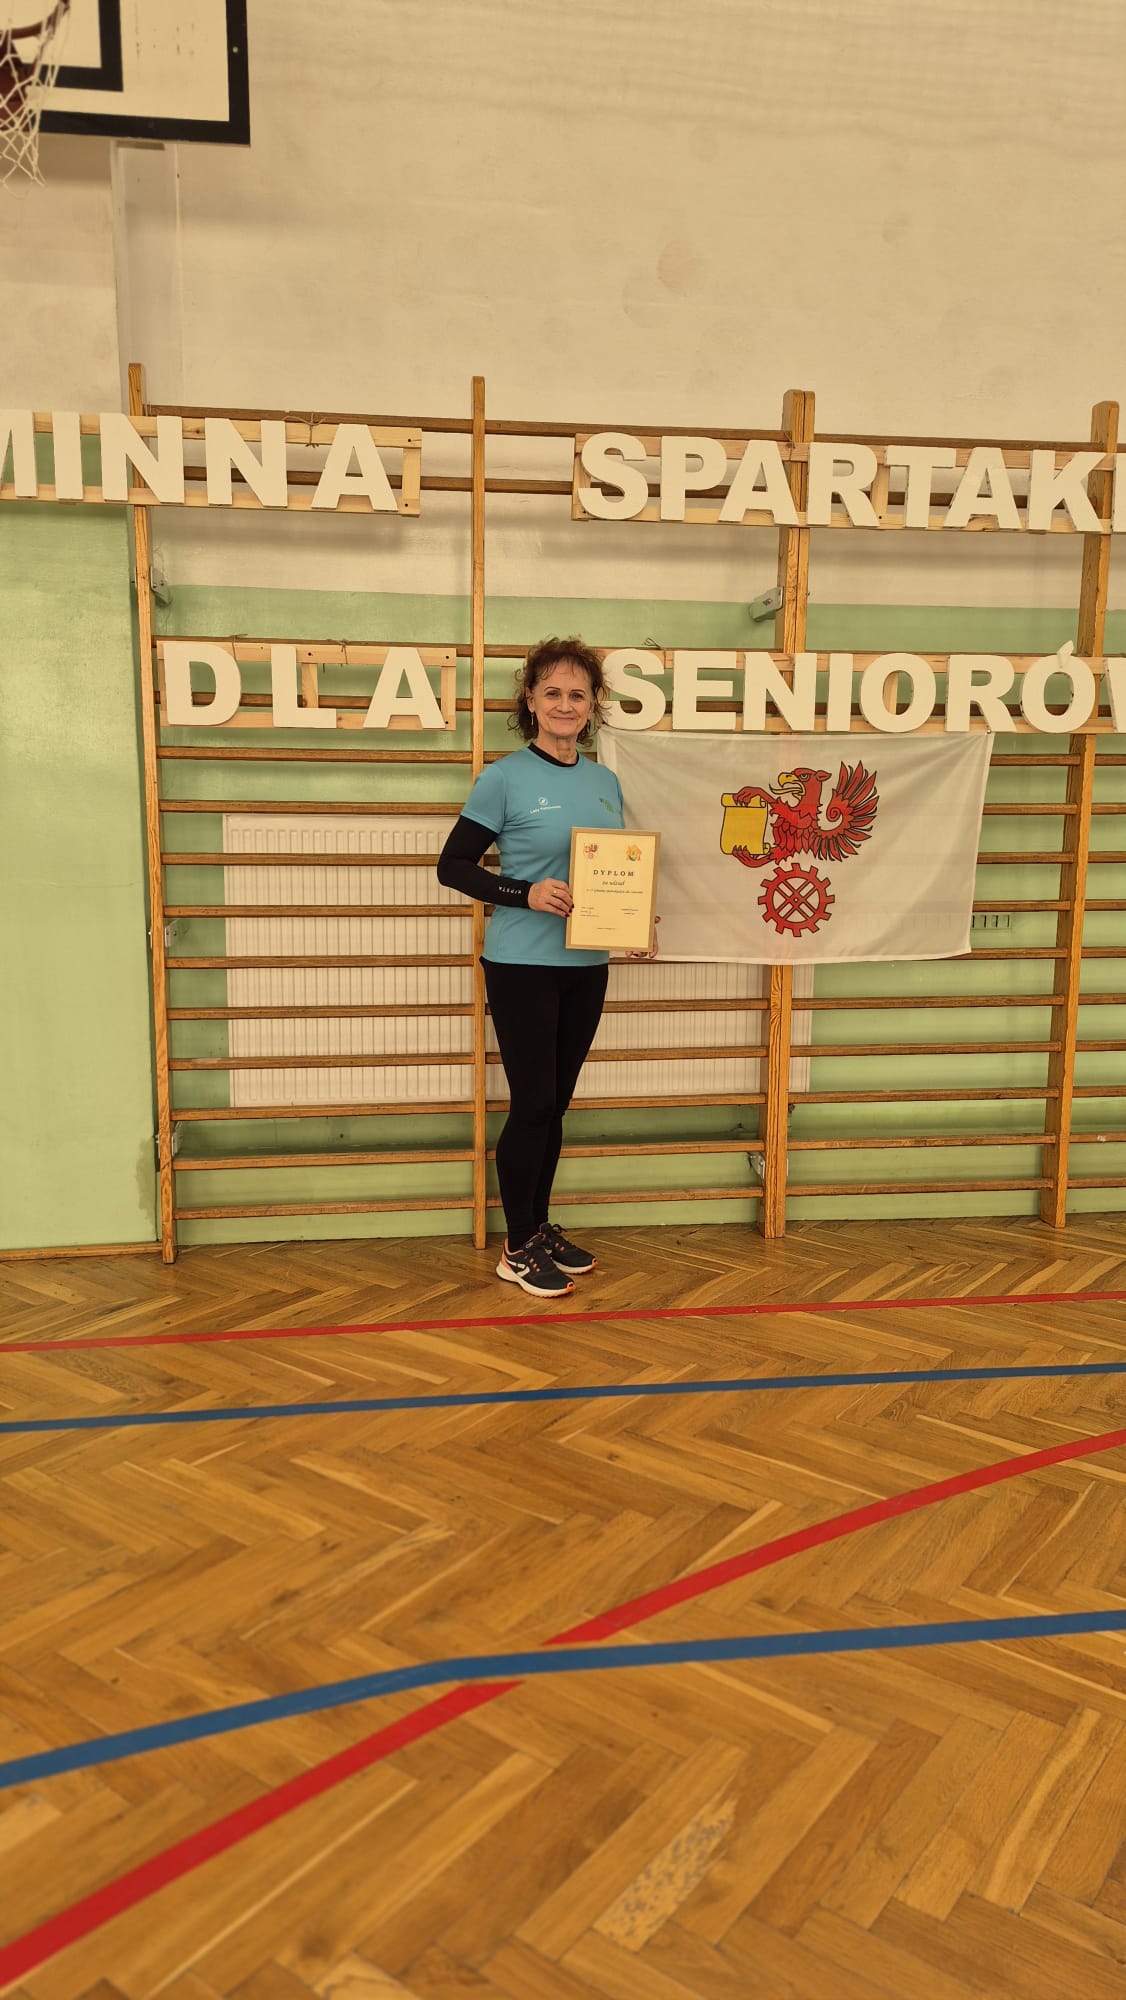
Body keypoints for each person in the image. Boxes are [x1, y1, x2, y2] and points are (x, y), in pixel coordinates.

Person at [437, 636, 649, 1299]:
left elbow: (611, 872)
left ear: (593, 705)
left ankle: (539, 1226)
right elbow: (453, 866)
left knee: (554, 1104)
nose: (564, 704)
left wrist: (635, 921)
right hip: (522, 963)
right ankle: (517, 1246)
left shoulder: (604, 782)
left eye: (577, 694)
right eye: (552, 692)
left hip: (586, 963)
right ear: (530, 700)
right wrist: (522, 892)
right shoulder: (503, 778)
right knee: (531, 1104)